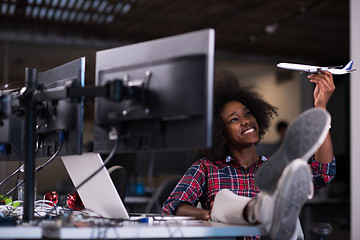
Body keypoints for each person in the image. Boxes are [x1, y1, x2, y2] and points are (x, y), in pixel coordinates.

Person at [162, 70, 336, 240]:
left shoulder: (275, 168)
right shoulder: (206, 168)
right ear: (219, 133)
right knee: (223, 198)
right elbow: (172, 206)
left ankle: (273, 218)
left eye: (247, 113)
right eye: (234, 119)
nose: (246, 121)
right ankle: (265, 212)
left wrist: (321, 108)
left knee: (285, 179)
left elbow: (322, 174)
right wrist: (209, 215)